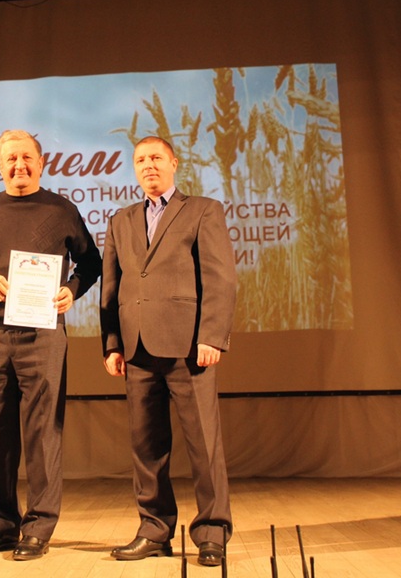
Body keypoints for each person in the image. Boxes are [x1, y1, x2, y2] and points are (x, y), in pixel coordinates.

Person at [0, 130, 101, 561]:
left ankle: (38, 527)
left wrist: (72, 290)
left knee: (43, 432)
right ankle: (1, 525)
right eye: (11, 159)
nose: (19, 165)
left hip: (43, 335)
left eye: (27, 158)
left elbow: (91, 263)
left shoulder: (62, 210)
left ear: (41, 162)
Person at [100, 136, 237, 567]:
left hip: (188, 348)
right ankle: (154, 530)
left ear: (174, 163)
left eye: (156, 157)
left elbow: (220, 277)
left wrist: (211, 335)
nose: (149, 165)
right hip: (137, 348)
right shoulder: (120, 220)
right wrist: (112, 343)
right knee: (146, 448)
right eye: (141, 160)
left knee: (204, 445)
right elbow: (110, 287)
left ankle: (212, 532)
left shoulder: (202, 210)